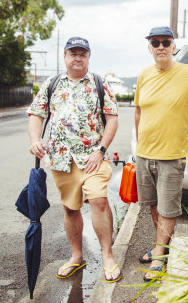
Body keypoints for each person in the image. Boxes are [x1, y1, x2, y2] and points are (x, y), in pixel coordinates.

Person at [27, 36, 122, 283]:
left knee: (99, 200)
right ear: (65, 57)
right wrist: (35, 139)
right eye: (73, 53)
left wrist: (101, 150)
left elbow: (112, 119)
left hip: (93, 157)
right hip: (61, 159)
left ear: (88, 57)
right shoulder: (52, 83)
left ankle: (108, 257)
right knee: (71, 208)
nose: (77, 57)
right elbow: (36, 114)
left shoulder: (100, 83)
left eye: (83, 53)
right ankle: (76, 256)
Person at [134, 26, 188, 282]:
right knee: (153, 205)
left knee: (169, 209)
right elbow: (138, 111)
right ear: (149, 47)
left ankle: (160, 254)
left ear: (173, 46)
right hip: (144, 155)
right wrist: (139, 145)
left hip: (171, 155)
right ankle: (163, 247)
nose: (161, 46)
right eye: (155, 42)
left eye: (165, 42)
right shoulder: (144, 75)